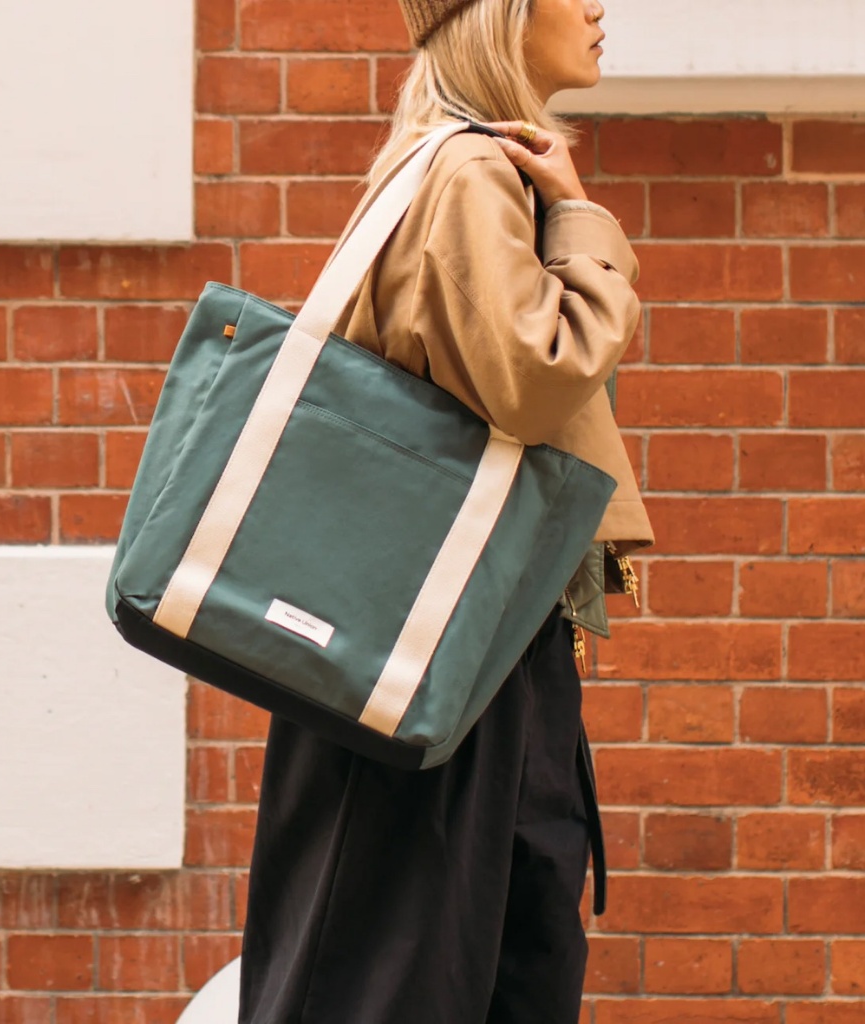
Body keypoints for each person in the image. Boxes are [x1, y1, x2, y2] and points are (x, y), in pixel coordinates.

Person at [237, 1, 653, 1021]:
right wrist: (579, 220)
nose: (598, 7)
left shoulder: (459, 167)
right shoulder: (470, 173)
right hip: (454, 663)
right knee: (436, 979)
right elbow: (539, 376)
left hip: (446, 648)